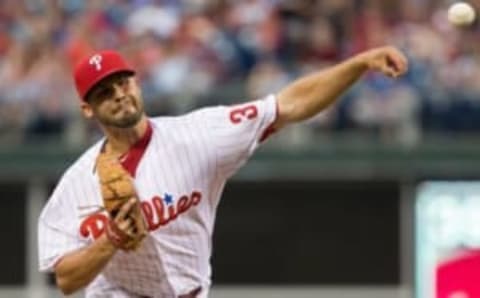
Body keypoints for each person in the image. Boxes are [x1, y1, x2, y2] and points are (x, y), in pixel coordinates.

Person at [38, 46, 408, 298]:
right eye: (104, 92)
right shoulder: (75, 185)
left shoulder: (200, 134)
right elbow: (66, 280)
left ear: (137, 83)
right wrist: (111, 239)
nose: (118, 94)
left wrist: (358, 64)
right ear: (87, 109)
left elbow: (289, 105)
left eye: (123, 83)